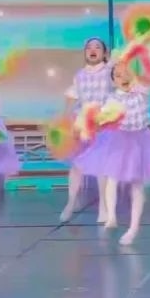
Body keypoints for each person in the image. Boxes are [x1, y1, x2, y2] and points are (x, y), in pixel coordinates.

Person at [72, 59, 150, 246]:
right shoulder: (112, 99)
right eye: (118, 76)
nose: (123, 77)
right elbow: (103, 118)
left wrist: (133, 65)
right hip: (119, 141)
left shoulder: (141, 92)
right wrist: (92, 123)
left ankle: (133, 228)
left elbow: (148, 79)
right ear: (113, 81)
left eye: (126, 73)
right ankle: (111, 215)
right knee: (112, 177)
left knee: (137, 184)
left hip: (140, 142)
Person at [60, 37, 113, 223]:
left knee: (102, 166)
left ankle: (104, 207)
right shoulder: (80, 75)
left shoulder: (110, 71)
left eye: (97, 47)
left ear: (104, 53)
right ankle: (70, 202)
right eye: (89, 47)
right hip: (82, 123)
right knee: (76, 165)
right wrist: (66, 121)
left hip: (103, 123)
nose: (92, 50)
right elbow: (72, 98)